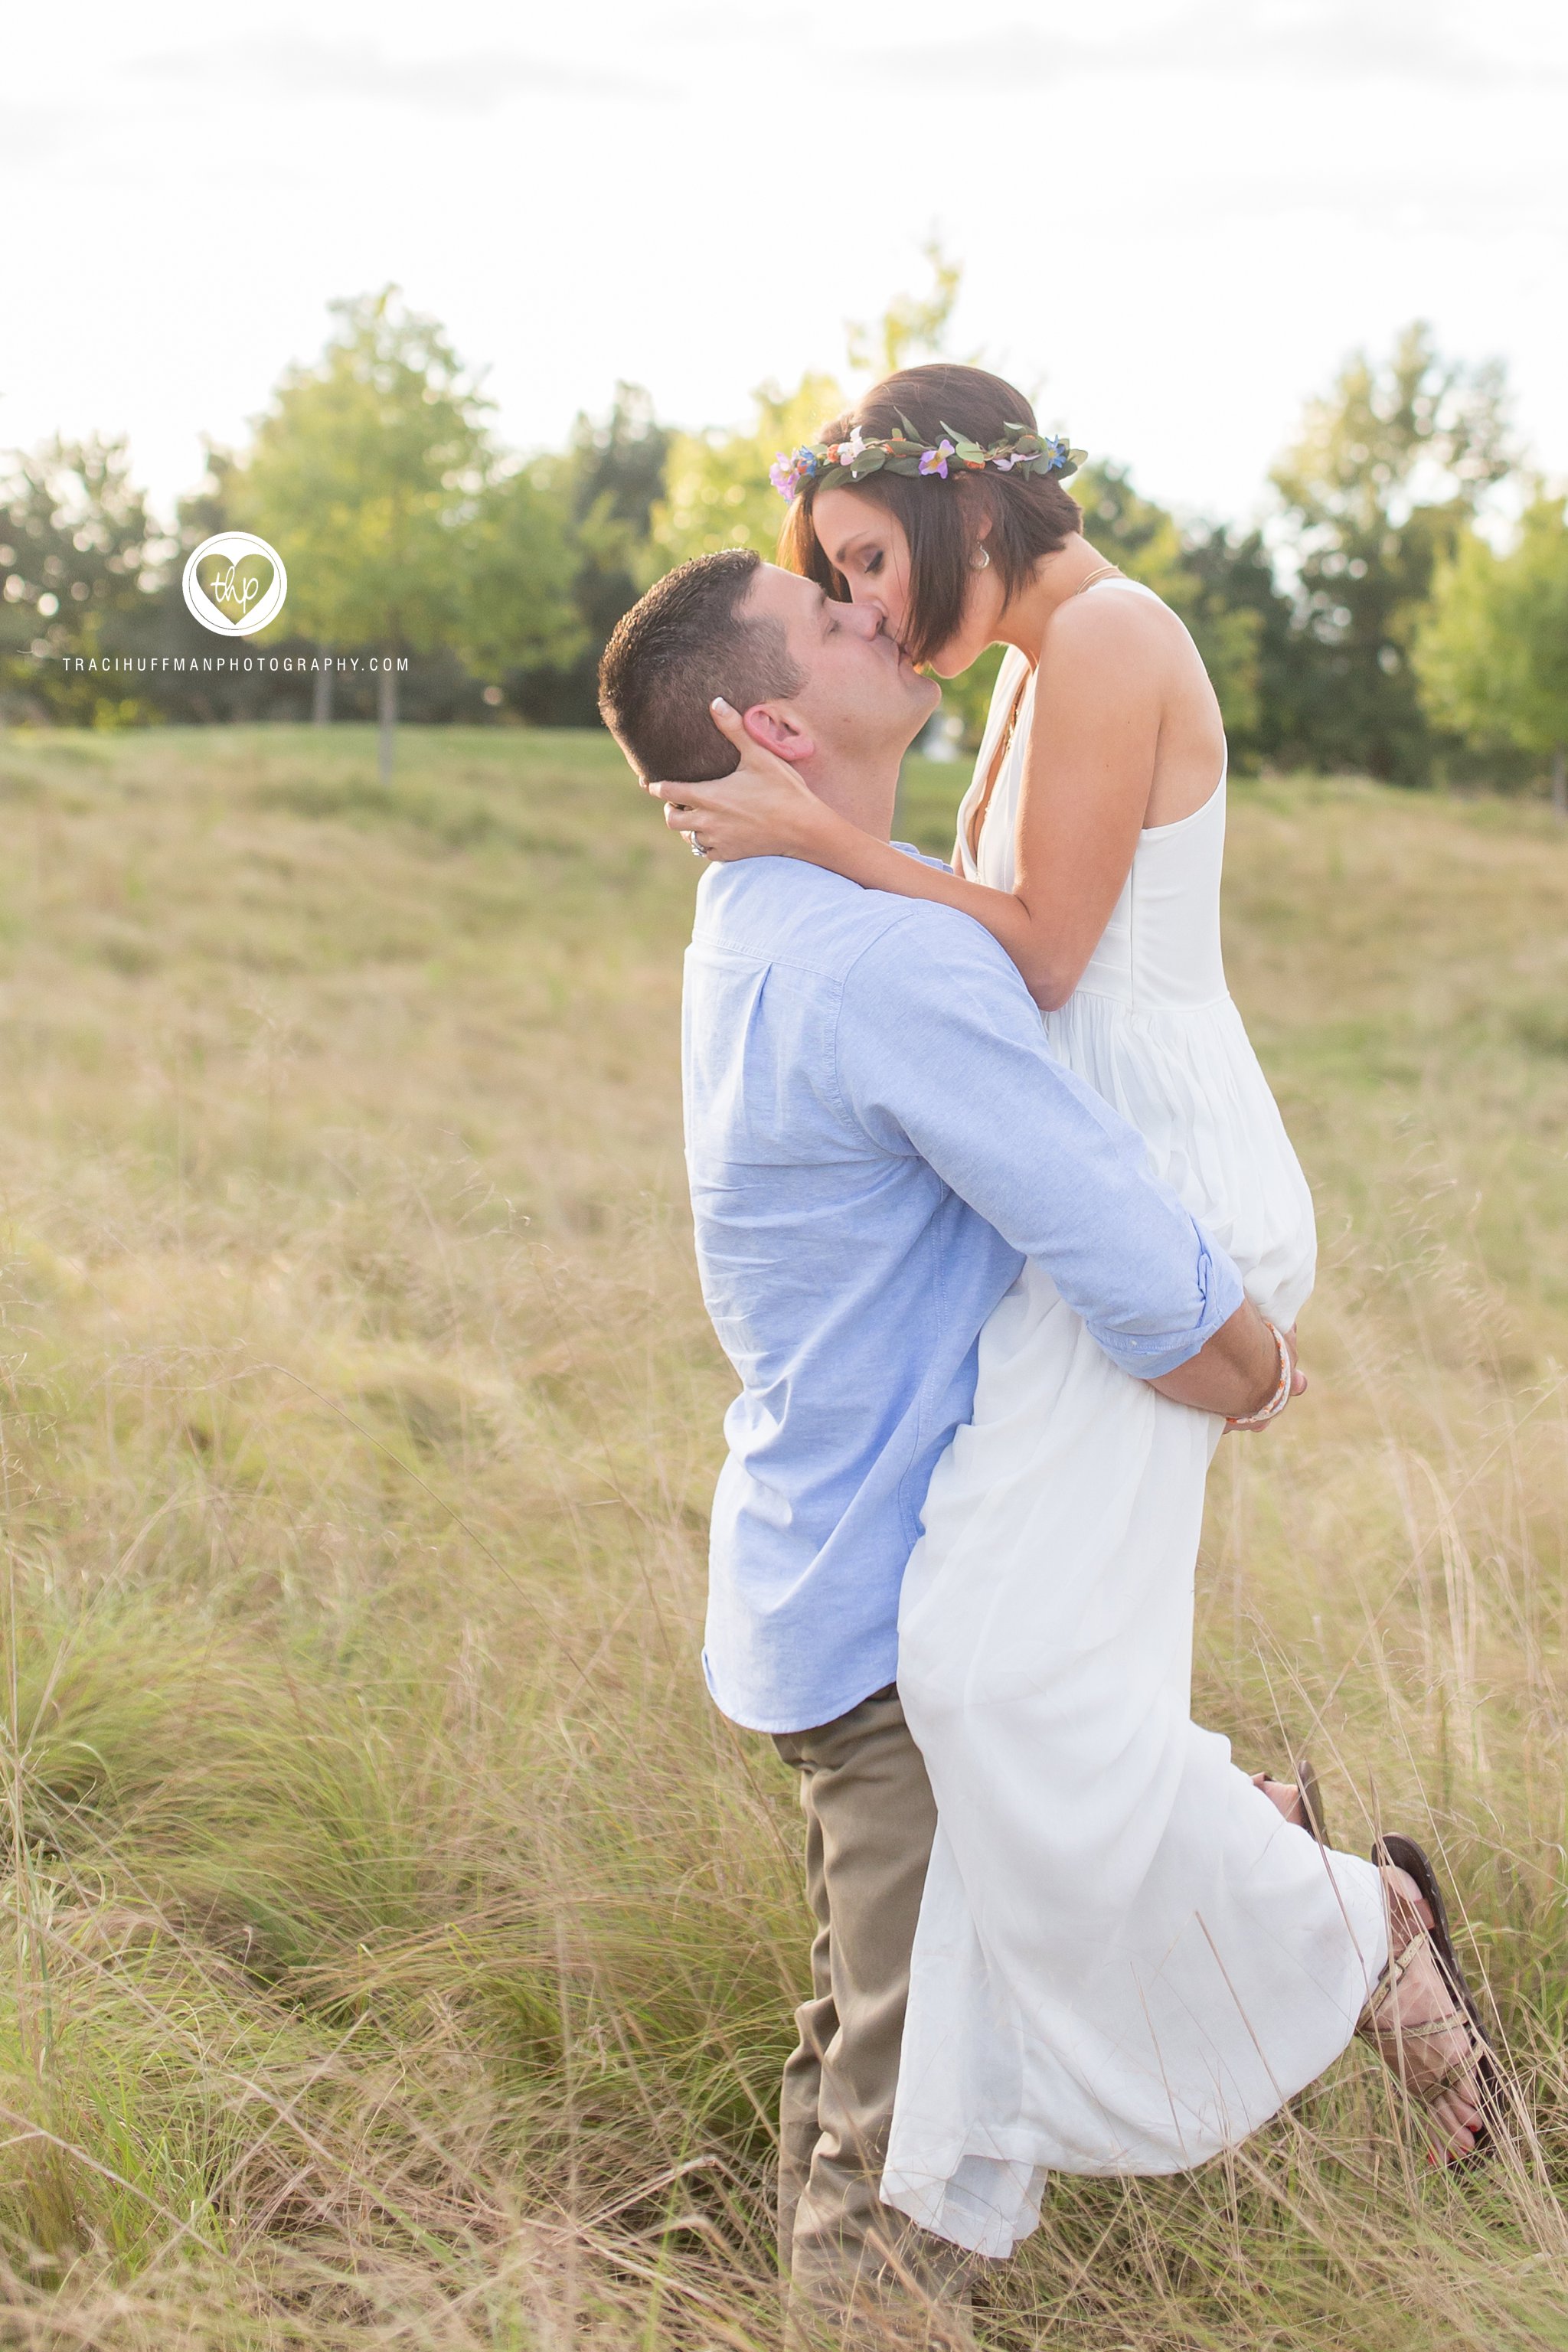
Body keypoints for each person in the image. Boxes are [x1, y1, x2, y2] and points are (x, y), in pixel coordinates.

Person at [599, 544, 1491, 2324]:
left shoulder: (784, 911)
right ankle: (1323, 1904)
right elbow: (1090, 1205)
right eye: (833, 614)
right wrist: (1241, 1355)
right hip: (886, 1603)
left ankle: (1287, 1880)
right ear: (770, 723)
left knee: (877, 2030)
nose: (873, 610)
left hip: (823, 1574)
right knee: (907, 2109)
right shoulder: (873, 956)